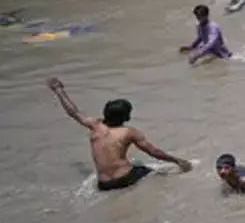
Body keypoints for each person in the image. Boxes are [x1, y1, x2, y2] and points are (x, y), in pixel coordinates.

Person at [47, 77, 192, 192]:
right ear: (126, 117)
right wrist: (177, 160)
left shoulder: (95, 126)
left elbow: (74, 112)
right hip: (124, 179)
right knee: (156, 172)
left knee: (138, 166)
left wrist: (59, 91)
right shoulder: (129, 132)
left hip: (103, 185)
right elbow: (153, 152)